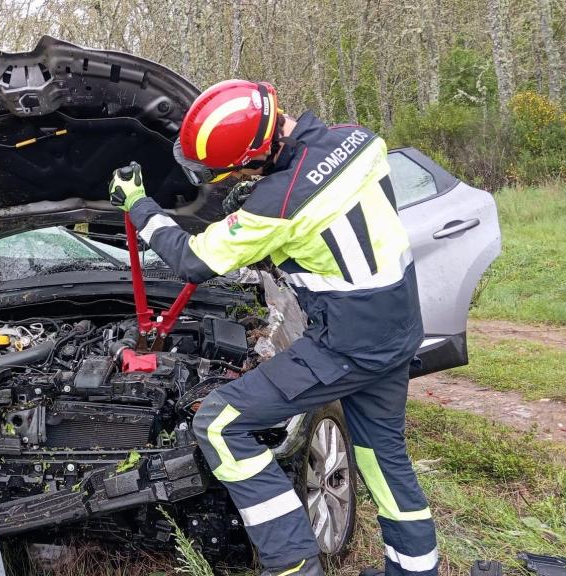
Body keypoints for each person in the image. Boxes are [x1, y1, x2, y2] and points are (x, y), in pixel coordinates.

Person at [108, 80, 436, 576]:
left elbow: (193, 261)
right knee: (382, 457)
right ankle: (416, 570)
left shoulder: (276, 205)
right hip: (398, 327)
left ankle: (292, 566)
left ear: (254, 156)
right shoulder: (358, 139)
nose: (230, 175)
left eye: (232, 166)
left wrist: (138, 205)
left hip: (348, 344)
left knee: (218, 424)